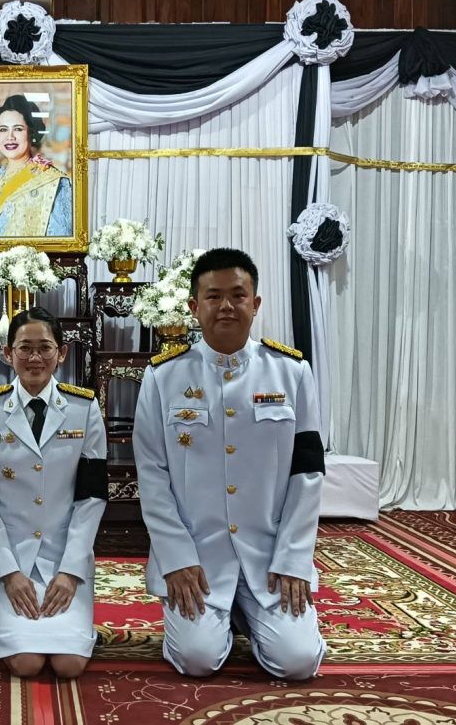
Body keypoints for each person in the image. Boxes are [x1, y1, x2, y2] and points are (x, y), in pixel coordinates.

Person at [133, 248, 326, 680]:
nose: (226, 306)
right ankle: (221, 619)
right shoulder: (163, 377)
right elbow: (152, 474)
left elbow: (308, 472)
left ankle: (248, 614)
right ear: (193, 306)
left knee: (297, 662)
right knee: (196, 660)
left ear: (255, 304)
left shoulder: (291, 372)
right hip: (198, 558)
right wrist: (176, 558)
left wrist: (294, 558)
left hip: (269, 555)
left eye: (238, 295)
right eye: (213, 296)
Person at [0, 307, 107, 678]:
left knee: (69, 664)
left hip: (65, 560)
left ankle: (73, 614)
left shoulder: (84, 408)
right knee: (27, 663)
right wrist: (9, 571)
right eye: (24, 348)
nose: (35, 358)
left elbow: (91, 498)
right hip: (7, 561)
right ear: (7, 353)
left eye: (45, 348)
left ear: (62, 353)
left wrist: (71, 570)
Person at [0, 94, 73, 238]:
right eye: (3, 129)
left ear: (31, 133)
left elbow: (61, 239)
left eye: (18, 129)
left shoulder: (53, 181)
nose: (10, 137)